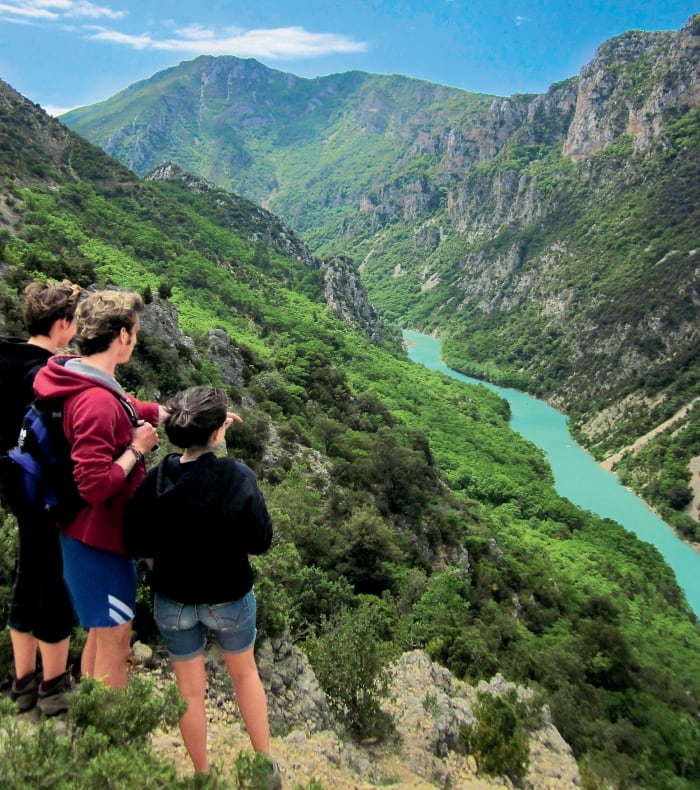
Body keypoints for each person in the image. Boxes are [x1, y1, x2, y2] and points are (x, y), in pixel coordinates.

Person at [123, 385, 280, 787]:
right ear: (216, 433)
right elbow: (260, 541)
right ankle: (264, 770)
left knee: (189, 691)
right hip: (229, 596)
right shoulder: (237, 477)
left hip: (173, 599)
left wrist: (162, 568)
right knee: (244, 675)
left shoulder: (156, 481)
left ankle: (201, 775)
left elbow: (135, 540)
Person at [32, 289, 162, 690]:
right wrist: (136, 451)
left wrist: (170, 412)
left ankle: (90, 719)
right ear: (122, 335)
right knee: (115, 642)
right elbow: (93, 485)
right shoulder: (95, 402)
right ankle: (111, 739)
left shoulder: (76, 371)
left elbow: (124, 404)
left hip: (83, 535)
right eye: (135, 332)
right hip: (97, 540)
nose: (136, 340)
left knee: (101, 634)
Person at [0, 279, 82, 715]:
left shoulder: (8, 359)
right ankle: (53, 687)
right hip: (49, 495)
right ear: (63, 325)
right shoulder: (48, 376)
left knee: (28, 573)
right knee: (55, 583)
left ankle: (23, 681)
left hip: (15, 486)